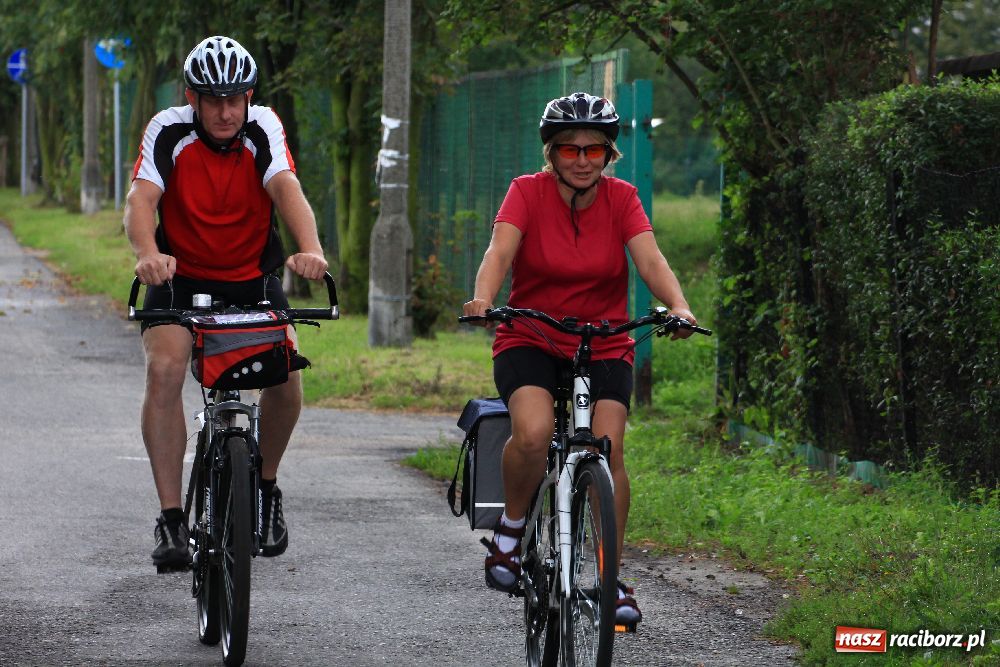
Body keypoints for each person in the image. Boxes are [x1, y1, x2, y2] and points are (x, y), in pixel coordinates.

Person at [462, 91, 698, 626]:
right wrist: (483, 299)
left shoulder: (623, 199)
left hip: (606, 340)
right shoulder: (525, 192)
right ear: (552, 153)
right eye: (571, 149)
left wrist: (678, 306)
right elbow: (499, 252)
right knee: (533, 431)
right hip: (532, 335)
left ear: (609, 154)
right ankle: (511, 531)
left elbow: (649, 259)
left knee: (608, 453)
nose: (584, 160)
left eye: (595, 150)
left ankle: (609, 575)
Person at [124, 35, 328, 571]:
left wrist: (310, 249)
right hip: (178, 275)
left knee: (286, 376)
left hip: (251, 279)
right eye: (211, 99)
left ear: (248, 96)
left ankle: (266, 487)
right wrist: (148, 253)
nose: (223, 110)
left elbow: (286, 187)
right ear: (192, 98)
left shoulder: (263, 126)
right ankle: (171, 518)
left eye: (233, 99)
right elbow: (141, 200)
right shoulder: (167, 129)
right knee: (165, 369)